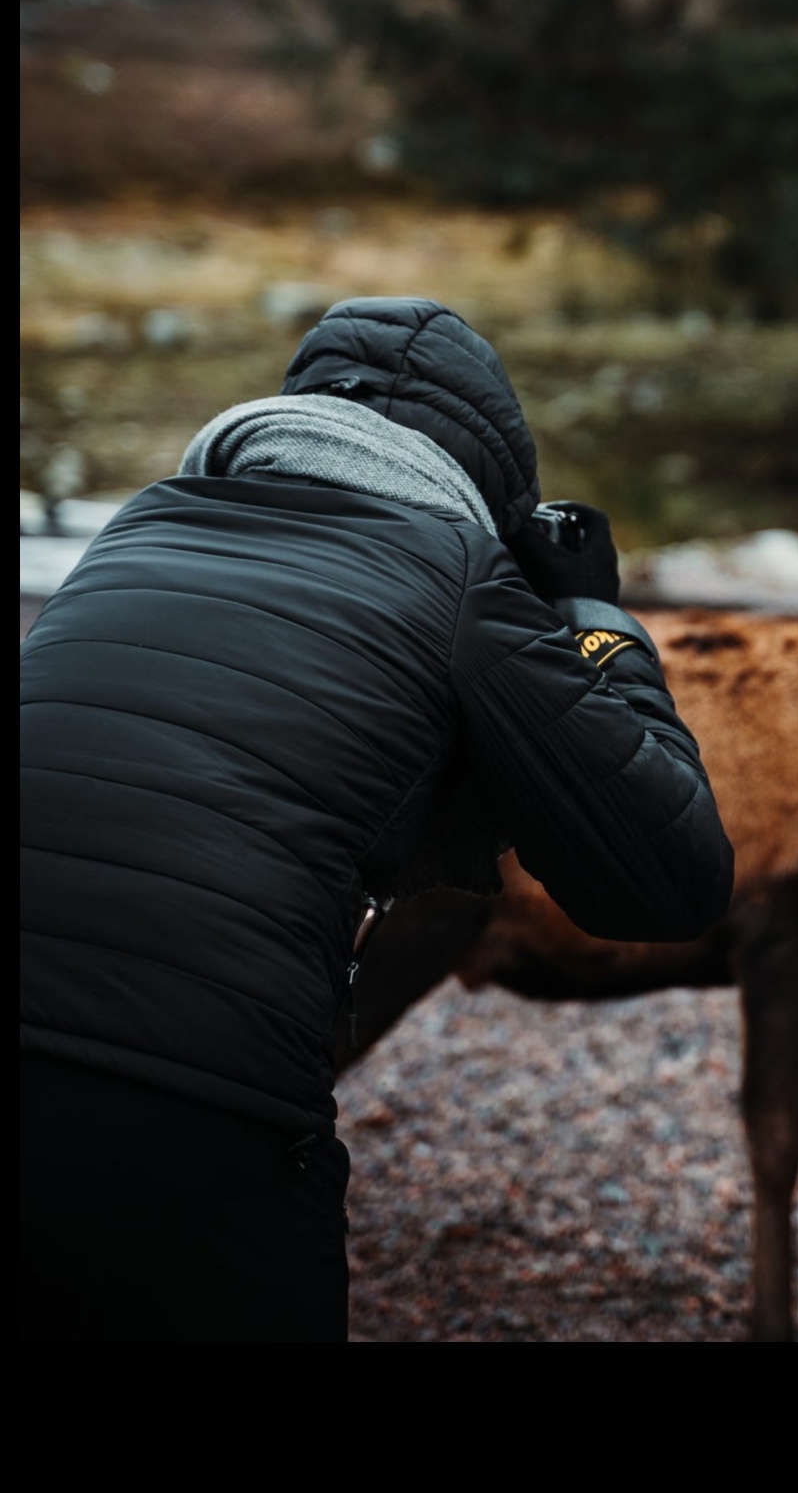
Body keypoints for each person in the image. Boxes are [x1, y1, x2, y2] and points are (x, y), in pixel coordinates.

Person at [19, 297, 735, 1342]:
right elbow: (671, 876)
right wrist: (593, 621)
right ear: (490, 489)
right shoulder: (461, 575)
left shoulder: (138, 526)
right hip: (196, 1099)